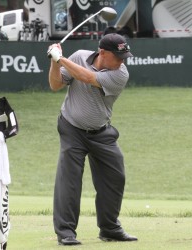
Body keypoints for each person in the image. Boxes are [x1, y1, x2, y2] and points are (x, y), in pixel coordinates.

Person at [46, 33, 138, 246]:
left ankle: (109, 228)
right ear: (103, 53)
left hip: (101, 132)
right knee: (69, 181)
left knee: (115, 177)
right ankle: (66, 233)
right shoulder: (78, 57)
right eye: (119, 56)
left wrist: (60, 58)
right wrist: (54, 62)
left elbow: (87, 77)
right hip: (71, 128)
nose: (122, 61)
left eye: (124, 56)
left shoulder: (120, 74)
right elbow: (55, 84)